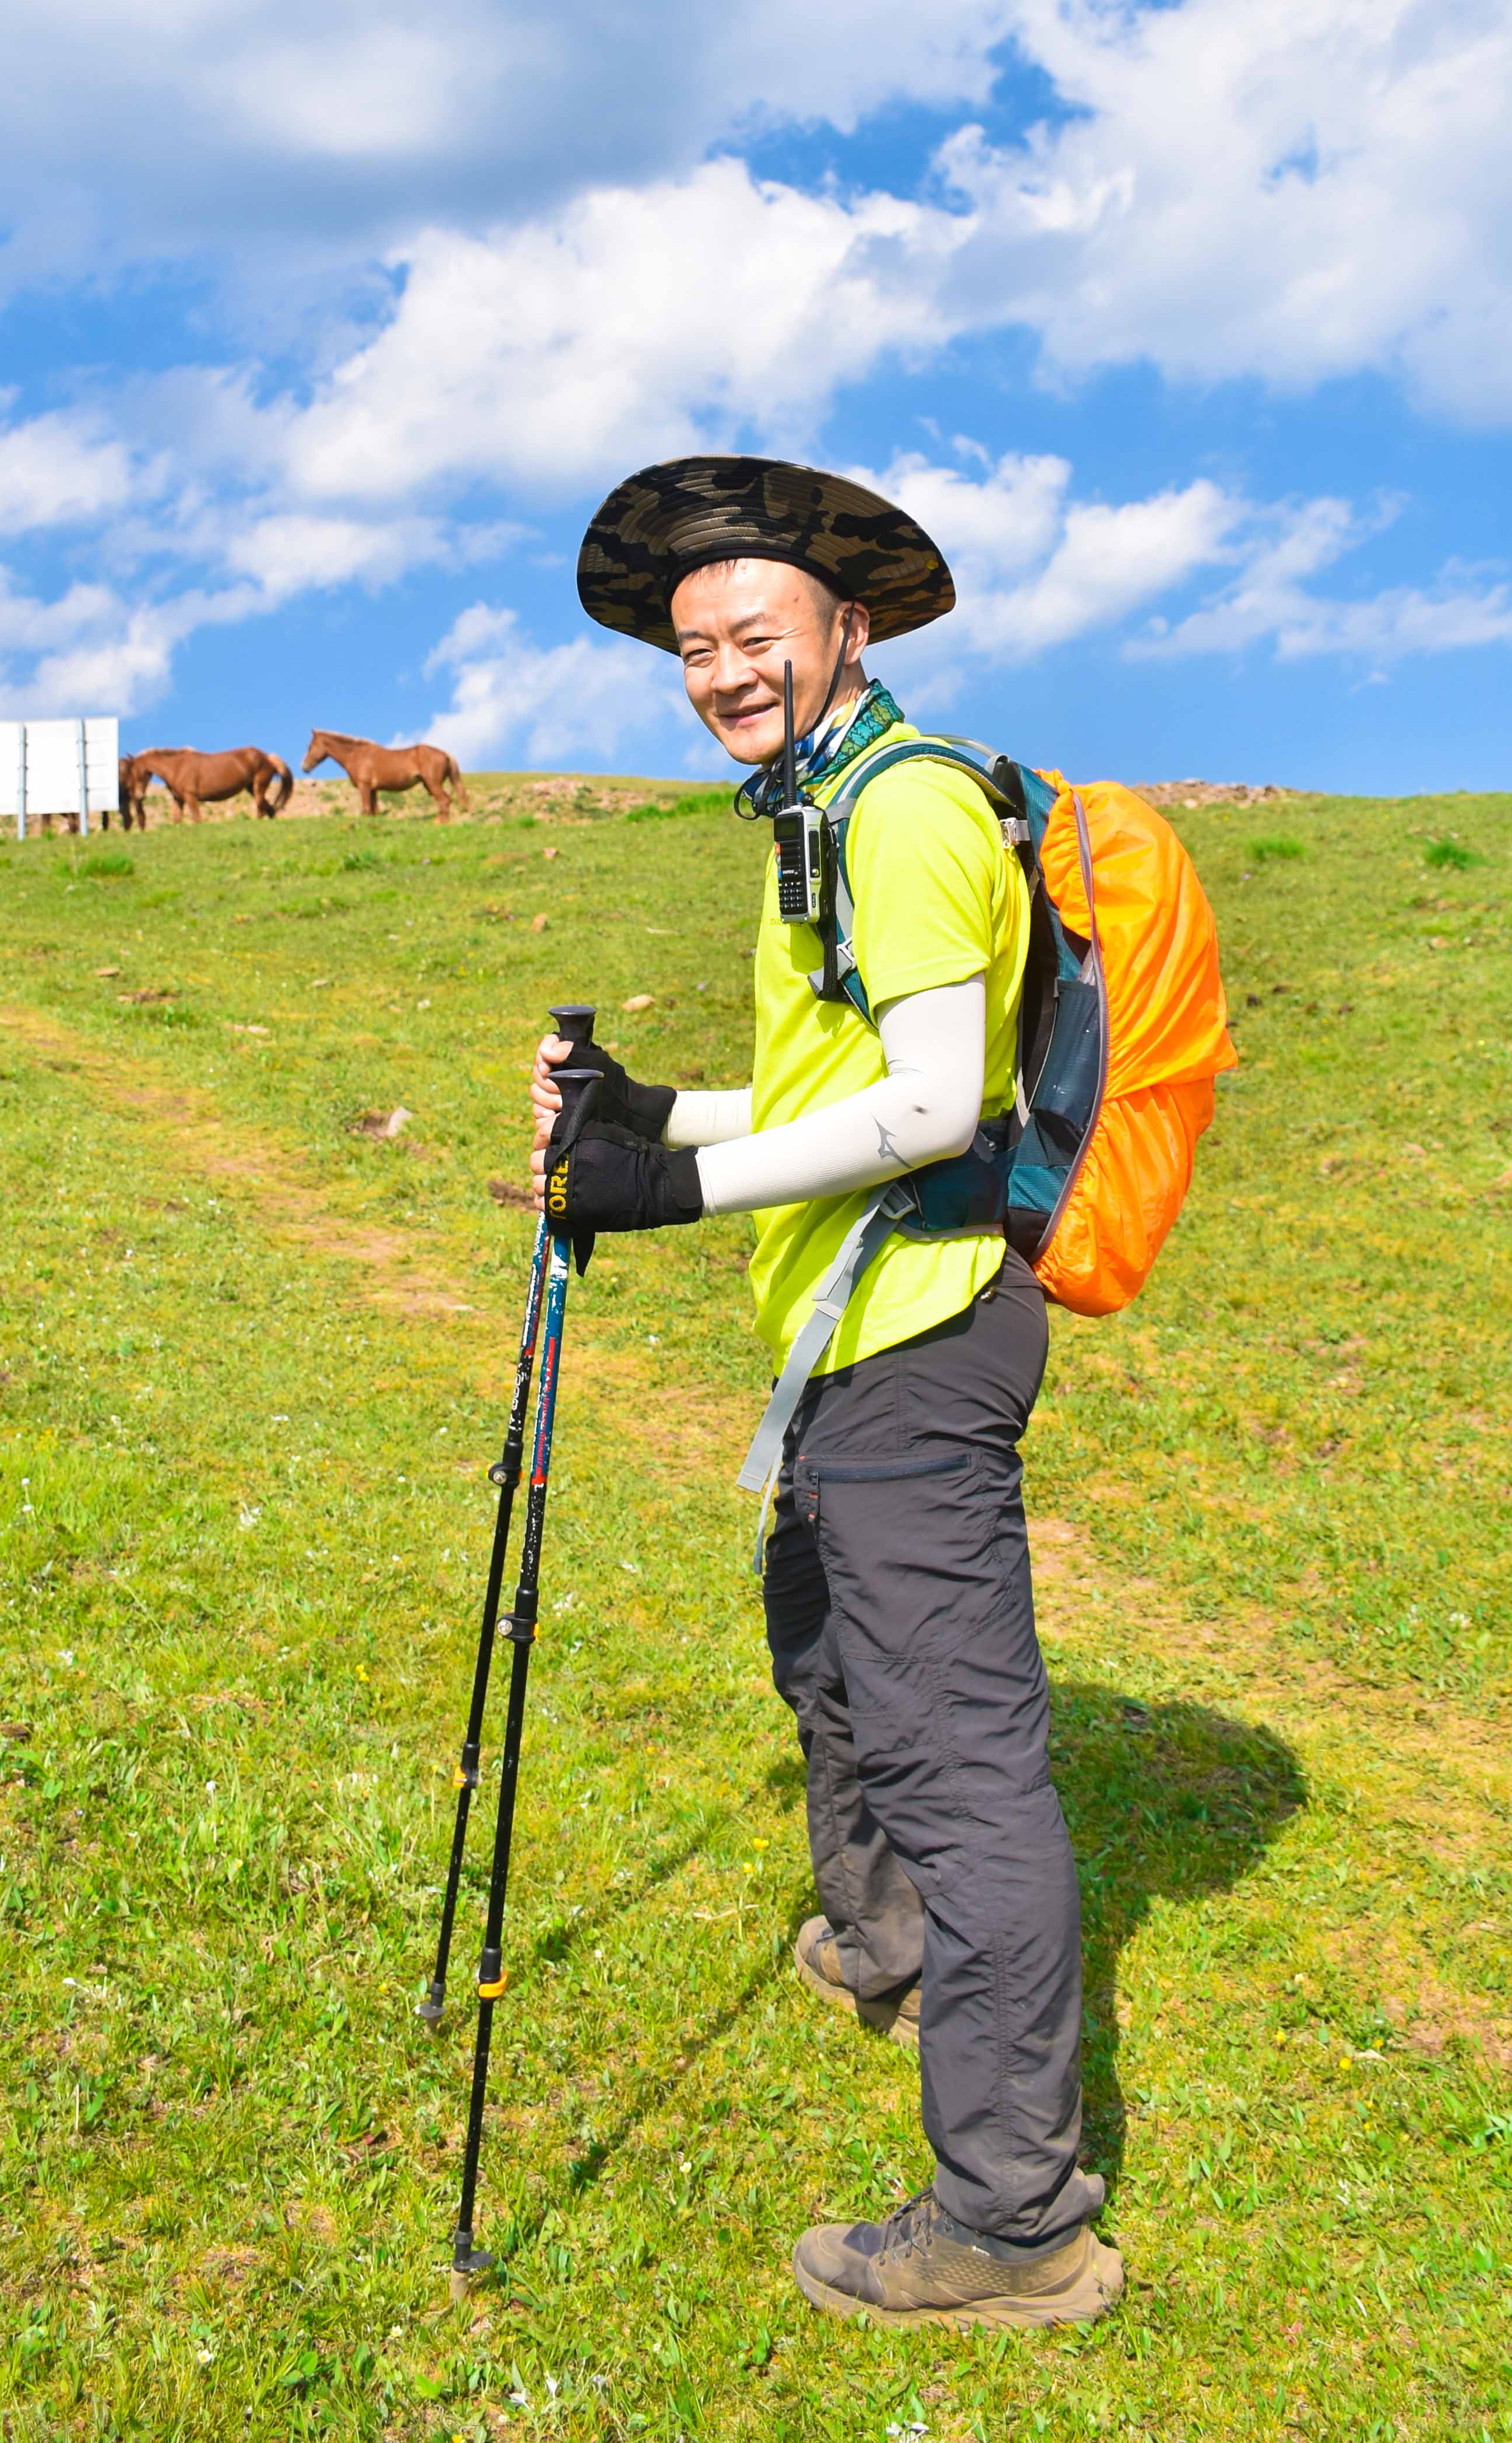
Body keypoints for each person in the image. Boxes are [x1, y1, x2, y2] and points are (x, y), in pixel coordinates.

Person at [527, 454, 1120, 2333]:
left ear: (846, 628)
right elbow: (841, 1092)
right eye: (693, 646)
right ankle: (884, 1942)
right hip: (857, 1340)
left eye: (753, 633)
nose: (720, 670)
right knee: (828, 1658)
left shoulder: (902, 808)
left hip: (919, 1349)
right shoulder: (824, 806)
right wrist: (648, 1117)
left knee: (964, 1776)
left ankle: (1015, 2226)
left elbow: (939, 1108)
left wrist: (670, 1188)